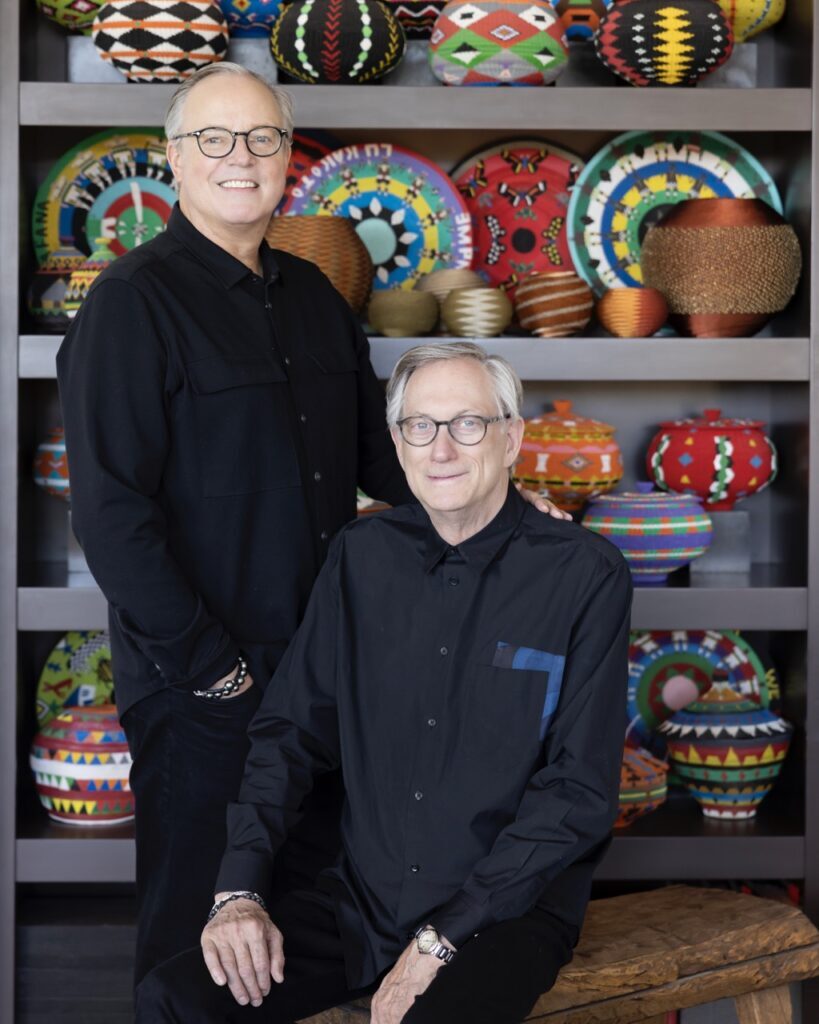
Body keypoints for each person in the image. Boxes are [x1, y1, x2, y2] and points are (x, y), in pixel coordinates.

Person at [136, 342, 633, 1024]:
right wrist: (239, 891)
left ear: (512, 436)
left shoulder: (586, 573)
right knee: (174, 999)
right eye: (419, 426)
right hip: (359, 904)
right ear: (398, 445)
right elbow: (290, 733)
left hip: (503, 915)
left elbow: (576, 792)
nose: (442, 448)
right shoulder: (359, 557)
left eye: (468, 423)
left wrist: (442, 939)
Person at [55, 63, 417, 985]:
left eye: (261, 138)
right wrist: (212, 671)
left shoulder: (314, 299)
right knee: (196, 940)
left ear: (287, 158)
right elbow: (112, 515)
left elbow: (381, 459)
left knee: (310, 927)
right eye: (214, 138)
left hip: (322, 672)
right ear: (175, 161)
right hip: (203, 690)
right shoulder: (131, 305)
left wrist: (499, 503)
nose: (240, 157)